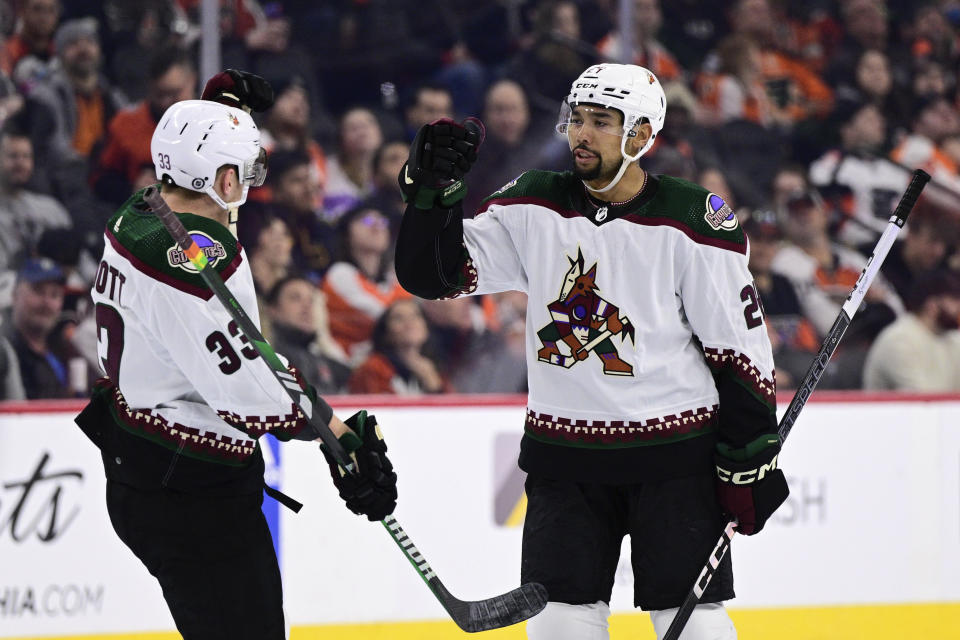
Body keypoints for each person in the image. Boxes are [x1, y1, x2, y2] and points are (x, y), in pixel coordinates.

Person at [394, 63, 788, 640]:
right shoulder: (534, 204)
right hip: (565, 461)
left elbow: (740, 350)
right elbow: (431, 276)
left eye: (601, 121)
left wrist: (747, 454)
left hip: (674, 461)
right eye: (576, 118)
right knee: (558, 621)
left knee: (690, 619)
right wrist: (430, 199)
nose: (581, 133)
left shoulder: (693, 222)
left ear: (640, 135)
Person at [74, 86, 398, 640]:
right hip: (191, 491)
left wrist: (216, 113)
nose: (248, 184)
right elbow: (249, 390)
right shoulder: (200, 265)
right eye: (243, 170)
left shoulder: (139, 210)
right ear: (224, 180)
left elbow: (191, 171)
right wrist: (338, 435)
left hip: (141, 461)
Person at [863, 269, 960, 391]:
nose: (958, 307)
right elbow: (921, 401)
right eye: (954, 300)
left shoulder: (954, 339)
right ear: (932, 305)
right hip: (899, 410)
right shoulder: (899, 340)